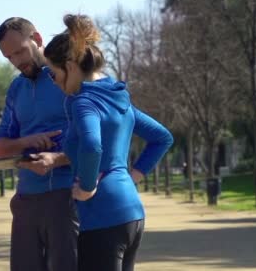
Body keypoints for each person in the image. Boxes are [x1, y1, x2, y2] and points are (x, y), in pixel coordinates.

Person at [43, 14, 174, 271]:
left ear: (70, 66)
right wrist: (131, 176)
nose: (54, 81)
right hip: (132, 214)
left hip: (103, 218)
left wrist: (89, 187)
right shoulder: (117, 97)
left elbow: (92, 145)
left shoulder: (84, 102)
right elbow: (162, 138)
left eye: (53, 73)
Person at [0, 17, 78, 271]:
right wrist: (25, 141)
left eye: (20, 51)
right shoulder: (16, 88)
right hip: (26, 200)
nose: (17, 61)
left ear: (38, 40)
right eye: (10, 57)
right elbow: (0, 148)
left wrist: (57, 159)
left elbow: (96, 141)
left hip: (68, 196)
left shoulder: (69, 78)